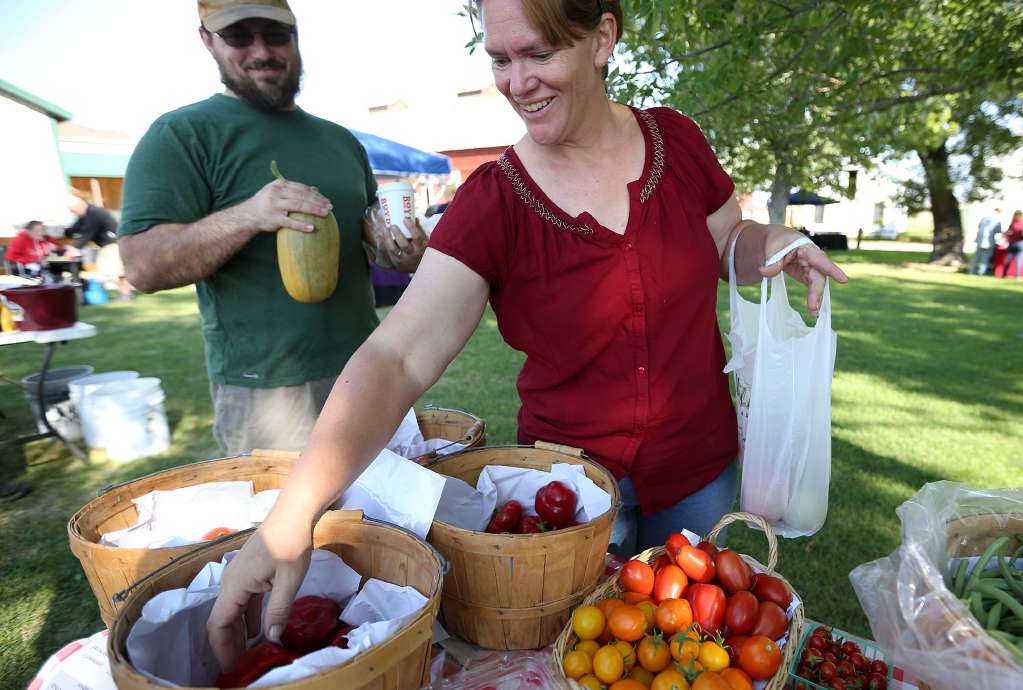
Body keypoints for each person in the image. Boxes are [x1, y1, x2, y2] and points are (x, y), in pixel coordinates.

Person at [206, 0, 849, 668]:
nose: (516, 82)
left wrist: (772, 240)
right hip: (570, 504)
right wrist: (293, 513)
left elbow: (725, 243)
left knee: (700, 660)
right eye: (500, 59)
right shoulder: (493, 203)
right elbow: (395, 357)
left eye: (538, 54)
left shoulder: (677, 142)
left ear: (601, 38)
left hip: (700, 471)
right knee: (591, 667)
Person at [118, 0, 423, 456]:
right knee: (287, 527)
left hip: (368, 369)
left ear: (296, 36)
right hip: (268, 394)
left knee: (387, 522)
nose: (261, 51)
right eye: (240, 37)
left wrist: (397, 252)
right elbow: (142, 266)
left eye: (275, 35)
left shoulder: (340, 140)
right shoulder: (181, 134)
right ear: (208, 41)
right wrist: (249, 215)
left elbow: (367, 244)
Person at [65, 196, 133, 299]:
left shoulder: (94, 213)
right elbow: (75, 229)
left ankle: (126, 293)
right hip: (106, 246)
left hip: (112, 244)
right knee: (110, 270)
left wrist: (75, 248)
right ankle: (124, 293)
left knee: (116, 270)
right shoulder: (85, 216)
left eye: (73, 210)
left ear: (80, 205)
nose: (73, 213)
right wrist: (66, 232)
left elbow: (88, 234)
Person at [968, 207, 1001, 275]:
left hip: (980, 240)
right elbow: (998, 231)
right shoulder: (997, 220)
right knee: (985, 258)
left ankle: (971, 271)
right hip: (989, 241)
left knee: (976, 257)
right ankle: (981, 272)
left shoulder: (985, 218)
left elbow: (979, 226)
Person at [1000, 210, 1023, 279]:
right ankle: (1017, 276)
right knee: (1019, 260)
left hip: (1013, 243)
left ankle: (1004, 274)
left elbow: (1008, 232)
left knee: (1008, 259)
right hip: (1021, 244)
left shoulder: (1013, 223)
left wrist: (1005, 234)